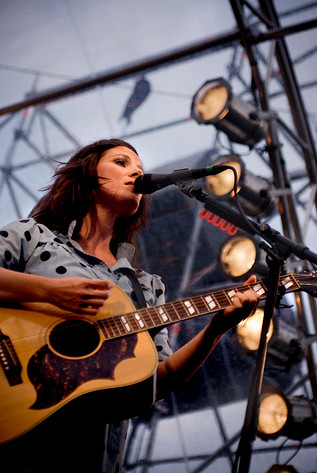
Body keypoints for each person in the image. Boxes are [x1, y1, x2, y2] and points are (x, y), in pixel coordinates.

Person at [0, 138, 260, 473]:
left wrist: (216, 329)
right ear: (89, 175)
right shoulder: (34, 237)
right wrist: (48, 291)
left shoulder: (146, 288)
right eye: (121, 163)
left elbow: (159, 379)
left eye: (139, 168)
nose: (136, 172)